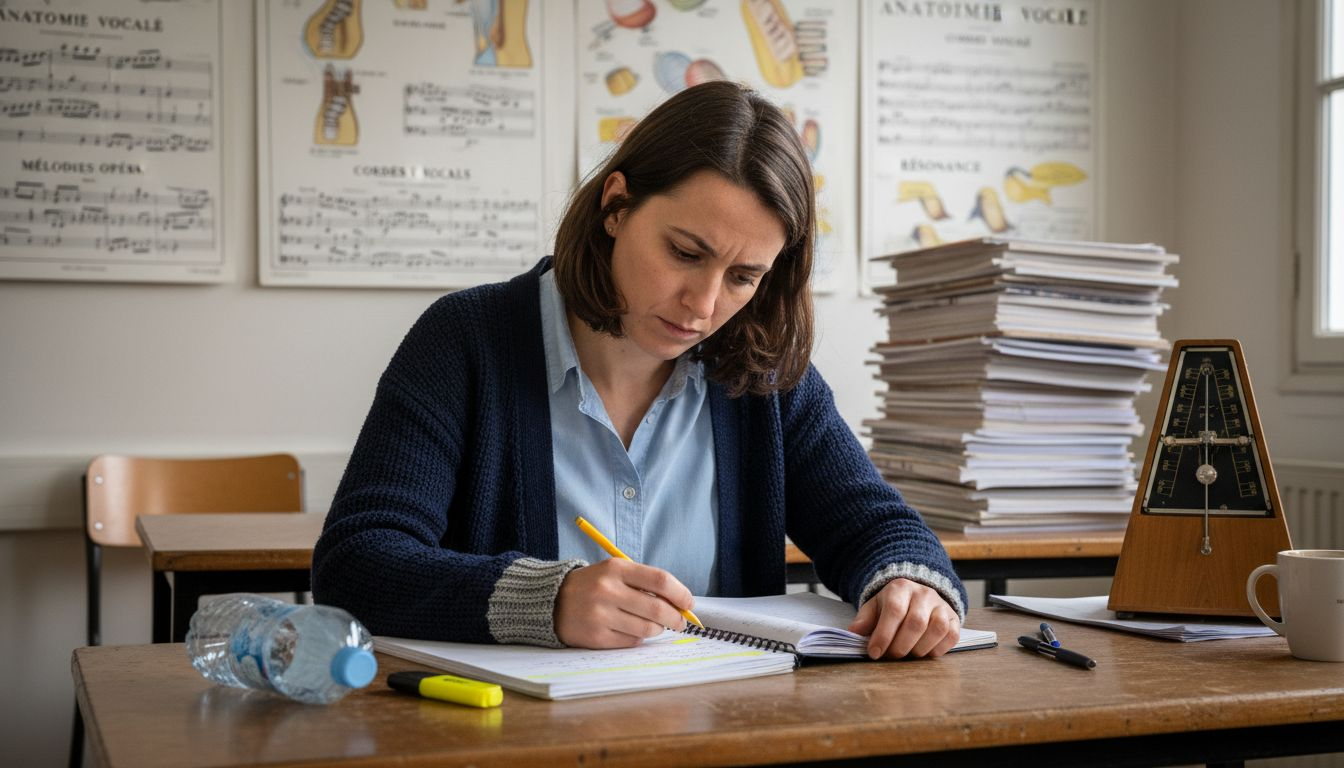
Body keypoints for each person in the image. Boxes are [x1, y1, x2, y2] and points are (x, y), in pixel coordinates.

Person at [312, 81, 967, 659]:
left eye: (743, 277)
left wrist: (908, 585)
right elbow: (357, 564)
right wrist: (546, 602)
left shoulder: (761, 374)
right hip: (513, 737)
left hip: (730, 727)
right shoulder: (465, 342)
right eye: (685, 252)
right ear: (616, 207)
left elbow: (877, 524)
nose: (705, 306)